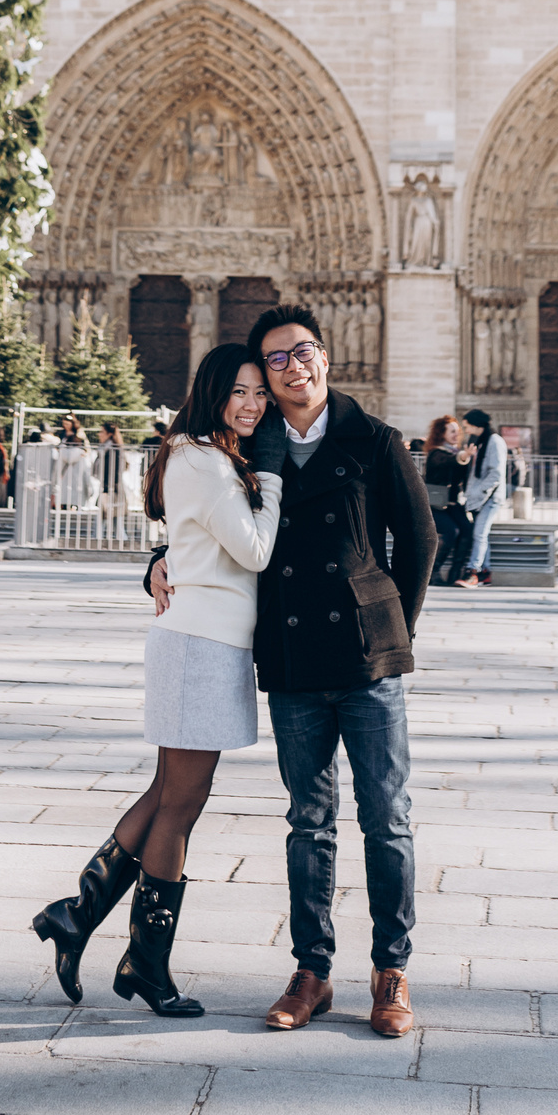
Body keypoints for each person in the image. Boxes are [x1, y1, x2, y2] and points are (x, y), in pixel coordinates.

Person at [179, 303, 436, 1037]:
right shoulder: (245, 446)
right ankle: (312, 971)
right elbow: (199, 522)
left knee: (387, 818)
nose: (294, 368)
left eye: (303, 352)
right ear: (265, 378)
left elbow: (419, 540)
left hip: (366, 659)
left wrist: (388, 625)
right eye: (277, 360)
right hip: (293, 660)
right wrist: (159, 562)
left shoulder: (374, 438)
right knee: (308, 821)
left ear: (325, 357)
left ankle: (391, 970)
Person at [32, 345, 283, 1019]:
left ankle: (78, 915)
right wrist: (273, 479)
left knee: (170, 794)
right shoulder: (204, 459)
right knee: (180, 804)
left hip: (202, 641)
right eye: (239, 391)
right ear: (211, 392)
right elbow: (255, 550)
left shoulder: (202, 453)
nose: (253, 404)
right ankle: (144, 959)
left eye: (259, 392)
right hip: (200, 644)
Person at [455, 408, 507, 587]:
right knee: (481, 535)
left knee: (479, 534)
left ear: (477, 425)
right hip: (478, 497)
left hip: (490, 497)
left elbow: (496, 473)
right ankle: (485, 573)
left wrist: (479, 492)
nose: (466, 430)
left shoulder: (494, 441)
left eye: (467, 426)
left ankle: (473, 572)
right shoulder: (480, 441)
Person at [422, 416, 470, 585]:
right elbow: (447, 461)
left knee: (467, 530)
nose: (456, 434)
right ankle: (432, 573)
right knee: (451, 531)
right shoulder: (436, 453)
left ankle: (456, 573)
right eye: (452, 431)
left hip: (452, 503)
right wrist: (463, 456)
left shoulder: (456, 452)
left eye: (458, 431)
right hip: (435, 504)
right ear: (441, 433)